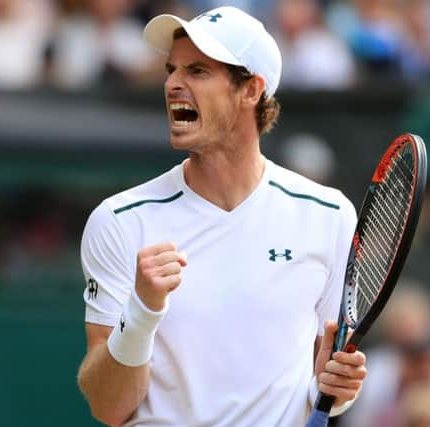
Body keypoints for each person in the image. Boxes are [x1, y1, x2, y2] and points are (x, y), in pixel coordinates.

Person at [78, 6, 367, 426]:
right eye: (171, 69)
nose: (173, 83)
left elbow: (322, 384)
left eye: (197, 71)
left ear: (251, 90)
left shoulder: (329, 215)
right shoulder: (119, 220)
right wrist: (141, 311)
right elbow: (107, 407)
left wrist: (336, 391)